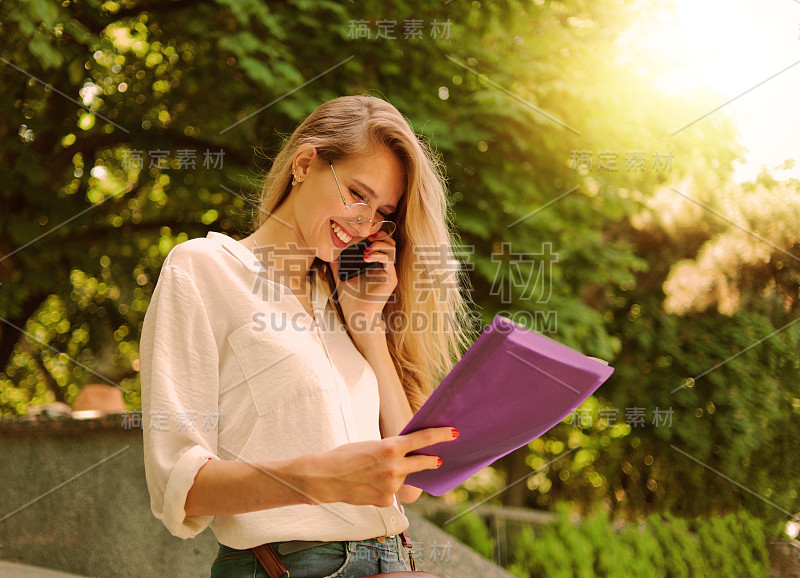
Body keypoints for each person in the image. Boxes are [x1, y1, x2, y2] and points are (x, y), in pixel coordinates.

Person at [140, 95, 478, 577]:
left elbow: (407, 488)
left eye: (382, 211)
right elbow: (177, 485)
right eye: (357, 194)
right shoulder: (204, 269)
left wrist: (368, 328)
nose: (365, 223)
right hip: (289, 565)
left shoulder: (345, 298)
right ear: (304, 163)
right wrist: (324, 480)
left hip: (393, 559)